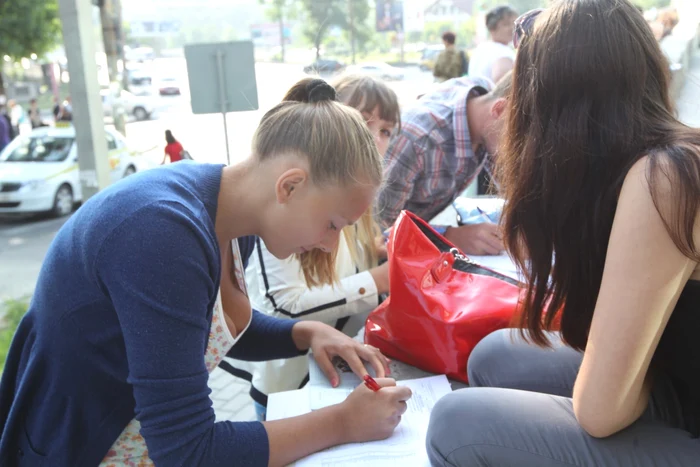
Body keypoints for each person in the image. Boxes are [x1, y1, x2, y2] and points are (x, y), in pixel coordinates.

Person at [0, 78, 412, 467]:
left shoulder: (234, 216)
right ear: (289, 187)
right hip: (80, 450)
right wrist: (342, 423)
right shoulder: (161, 235)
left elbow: (198, 327)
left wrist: (304, 333)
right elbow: (188, 450)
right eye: (333, 224)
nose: (330, 244)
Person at [427, 1, 700, 465]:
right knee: (493, 357)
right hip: (679, 383)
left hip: (683, 406)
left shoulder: (666, 178)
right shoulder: (667, 153)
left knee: (457, 425)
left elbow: (599, 413)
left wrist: (615, 387)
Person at [229, 75, 401, 421]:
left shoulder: (342, 203)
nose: (375, 139)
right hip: (286, 388)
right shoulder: (267, 215)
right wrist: (375, 280)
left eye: (386, 131)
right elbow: (278, 309)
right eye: (366, 123)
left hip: (331, 379)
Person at [377, 72, 511, 255]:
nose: (525, 147)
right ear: (499, 109)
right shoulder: (418, 141)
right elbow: (376, 234)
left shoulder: (482, 97)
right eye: (522, 133)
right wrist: (448, 237)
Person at [468, 5, 518, 83]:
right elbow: (503, 84)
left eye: (514, 23)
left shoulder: (481, 48)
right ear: (492, 28)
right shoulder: (502, 52)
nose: (512, 28)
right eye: (506, 24)